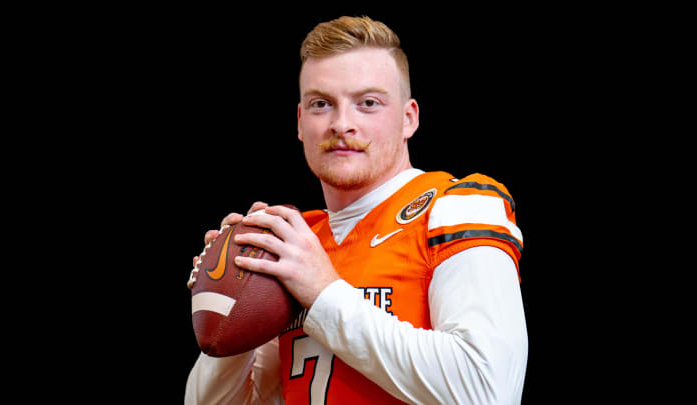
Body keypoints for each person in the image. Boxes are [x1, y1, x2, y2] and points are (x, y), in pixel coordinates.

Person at [185, 16, 527, 404]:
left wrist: (323, 293)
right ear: (300, 122)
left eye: (368, 103)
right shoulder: (293, 239)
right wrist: (228, 302)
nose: (341, 124)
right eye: (321, 104)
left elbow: (487, 390)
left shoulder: (457, 204)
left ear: (408, 118)